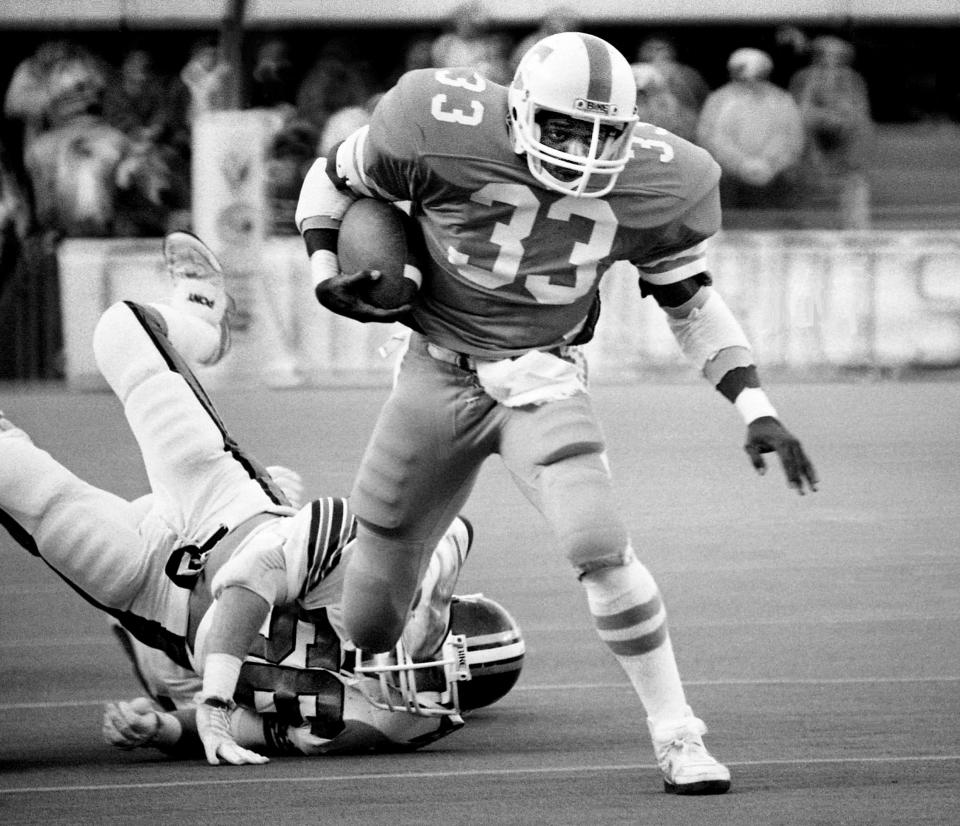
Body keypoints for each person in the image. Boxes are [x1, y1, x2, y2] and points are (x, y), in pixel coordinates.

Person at [295, 31, 820, 795]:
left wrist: (757, 408)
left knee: (599, 544)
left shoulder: (663, 181)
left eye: (606, 133)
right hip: (434, 375)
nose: (584, 150)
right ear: (517, 114)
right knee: (371, 625)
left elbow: (691, 304)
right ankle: (434, 584)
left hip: (541, 381)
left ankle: (677, 734)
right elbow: (331, 180)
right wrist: (324, 268)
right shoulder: (434, 123)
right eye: (567, 126)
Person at [0, 231, 522, 764]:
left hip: (158, 601)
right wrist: (217, 701)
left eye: (431, 677)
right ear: (433, 605)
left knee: (15, 479)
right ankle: (202, 319)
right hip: (222, 505)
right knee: (122, 330)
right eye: (427, 641)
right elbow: (250, 578)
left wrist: (167, 729)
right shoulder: (377, 564)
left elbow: (269, 728)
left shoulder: (383, 718)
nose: (410, 662)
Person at [696, 48, 805, 216]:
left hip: (774, 179)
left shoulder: (781, 100)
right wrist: (740, 165)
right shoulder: (719, 99)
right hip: (728, 179)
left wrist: (770, 165)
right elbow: (711, 138)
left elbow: (790, 139)